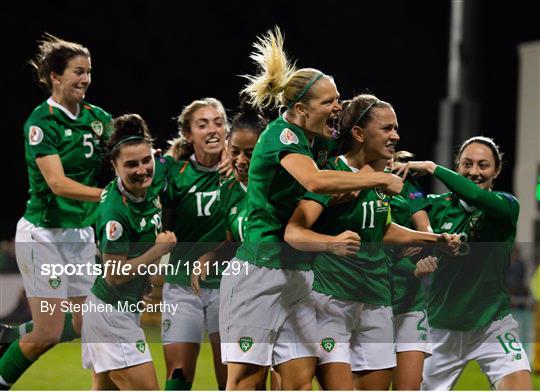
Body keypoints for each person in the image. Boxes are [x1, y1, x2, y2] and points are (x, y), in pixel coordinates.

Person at [219, 27, 405, 390]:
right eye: (329, 101)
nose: (338, 107)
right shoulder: (281, 136)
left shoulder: (317, 139)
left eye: (337, 98)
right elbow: (315, 182)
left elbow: (319, 192)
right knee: (247, 382)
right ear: (301, 110)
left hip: (300, 274)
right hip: (260, 271)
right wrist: (376, 180)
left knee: (300, 381)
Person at [283, 94, 460, 390]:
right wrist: (331, 243)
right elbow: (294, 232)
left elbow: (381, 229)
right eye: (387, 129)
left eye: (396, 128)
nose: (396, 136)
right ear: (359, 134)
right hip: (332, 300)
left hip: (377, 301)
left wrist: (434, 239)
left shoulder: (383, 178)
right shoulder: (332, 175)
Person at [0, 34, 111, 390]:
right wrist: (111, 195)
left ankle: (17, 333)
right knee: (47, 334)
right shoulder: (41, 123)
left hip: (79, 235)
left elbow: (130, 154)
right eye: (78, 71)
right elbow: (58, 184)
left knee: (87, 326)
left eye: (89, 72)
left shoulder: (100, 118)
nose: (85, 79)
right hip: (43, 236)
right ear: (55, 77)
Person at [395, 136, 533, 390]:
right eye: (467, 164)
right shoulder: (437, 208)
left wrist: (431, 167)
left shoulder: (506, 207)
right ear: (457, 166)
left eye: (484, 165)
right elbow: (412, 201)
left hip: (492, 325)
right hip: (440, 327)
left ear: (497, 171)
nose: (474, 172)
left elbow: (475, 195)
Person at [81, 113, 176, 389]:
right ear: (114, 165)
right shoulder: (115, 212)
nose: (141, 170)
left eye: (146, 160)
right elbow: (114, 275)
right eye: (131, 164)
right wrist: (158, 251)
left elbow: (173, 156)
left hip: (121, 309)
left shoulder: (154, 176)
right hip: (111, 315)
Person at [162, 98, 228, 390]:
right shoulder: (173, 175)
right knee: (178, 376)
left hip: (230, 287)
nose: (213, 130)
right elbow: (158, 227)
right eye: (203, 125)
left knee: (233, 380)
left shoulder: (243, 173)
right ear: (189, 135)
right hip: (181, 286)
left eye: (218, 122)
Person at [387, 151, 434, 390]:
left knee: (410, 385)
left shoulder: (405, 183)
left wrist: (422, 240)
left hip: (409, 299)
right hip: (371, 297)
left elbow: (425, 230)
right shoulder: (352, 180)